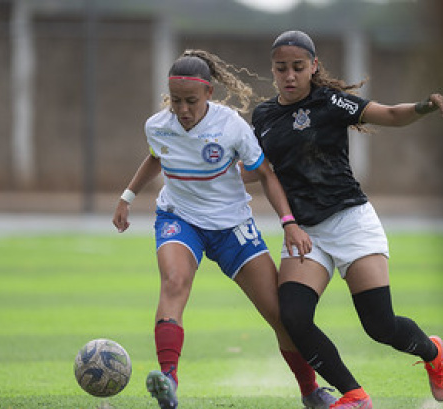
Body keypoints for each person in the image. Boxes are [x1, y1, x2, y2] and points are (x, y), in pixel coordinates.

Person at [112, 49, 337, 409]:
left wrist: (289, 223)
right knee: (173, 282)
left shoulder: (231, 126)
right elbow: (157, 155)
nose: (182, 110)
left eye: (191, 101)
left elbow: (265, 173)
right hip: (179, 218)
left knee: (279, 314)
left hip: (232, 224)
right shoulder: (157, 124)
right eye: (176, 101)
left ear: (209, 95)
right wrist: (127, 197)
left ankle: (310, 391)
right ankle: (167, 381)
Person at [248, 30, 443, 409]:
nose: (290, 75)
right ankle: (355, 395)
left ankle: (432, 352)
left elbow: (391, 115)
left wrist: (424, 106)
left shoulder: (330, 102)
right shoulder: (263, 116)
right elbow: (258, 171)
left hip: (351, 222)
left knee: (380, 326)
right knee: (293, 317)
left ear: (313, 66)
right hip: (304, 231)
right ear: (273, 71)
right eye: (281, 69)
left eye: (297, 67)